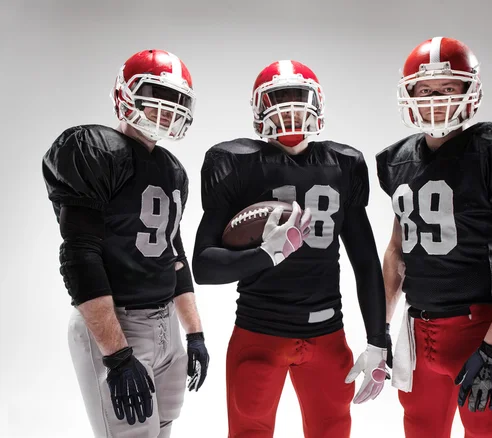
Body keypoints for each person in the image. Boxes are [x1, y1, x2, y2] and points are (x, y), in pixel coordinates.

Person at [192, 60, 388, 438]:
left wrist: (378, 341)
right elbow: (203, 265)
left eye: (298, 99)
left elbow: (364, 261)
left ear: (317, 104)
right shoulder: (235, 163)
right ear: (259, 108)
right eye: (278, 99)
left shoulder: (343, 164)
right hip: (258, 333)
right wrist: (266, 254)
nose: (289, 110)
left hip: (328, 334)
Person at [377, 37, 492, 437]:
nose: (436, 100)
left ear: (469, 92)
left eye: (448, 89)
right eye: (425, 90)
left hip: (478, 332)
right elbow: (397, 251)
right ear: (408, 93)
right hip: (417, 330)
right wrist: (379, 330)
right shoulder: (398, 160)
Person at [42, 49, 210, 438]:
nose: (166, 108)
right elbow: (80, 256)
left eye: (175, 100)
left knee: (162, 427)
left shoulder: (172, 170)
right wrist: (117, 355)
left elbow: (174, 256)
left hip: (165, 322)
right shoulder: (96, 150)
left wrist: (195, 332)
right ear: (126, 93)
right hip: (118, 324)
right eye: (156, 93)